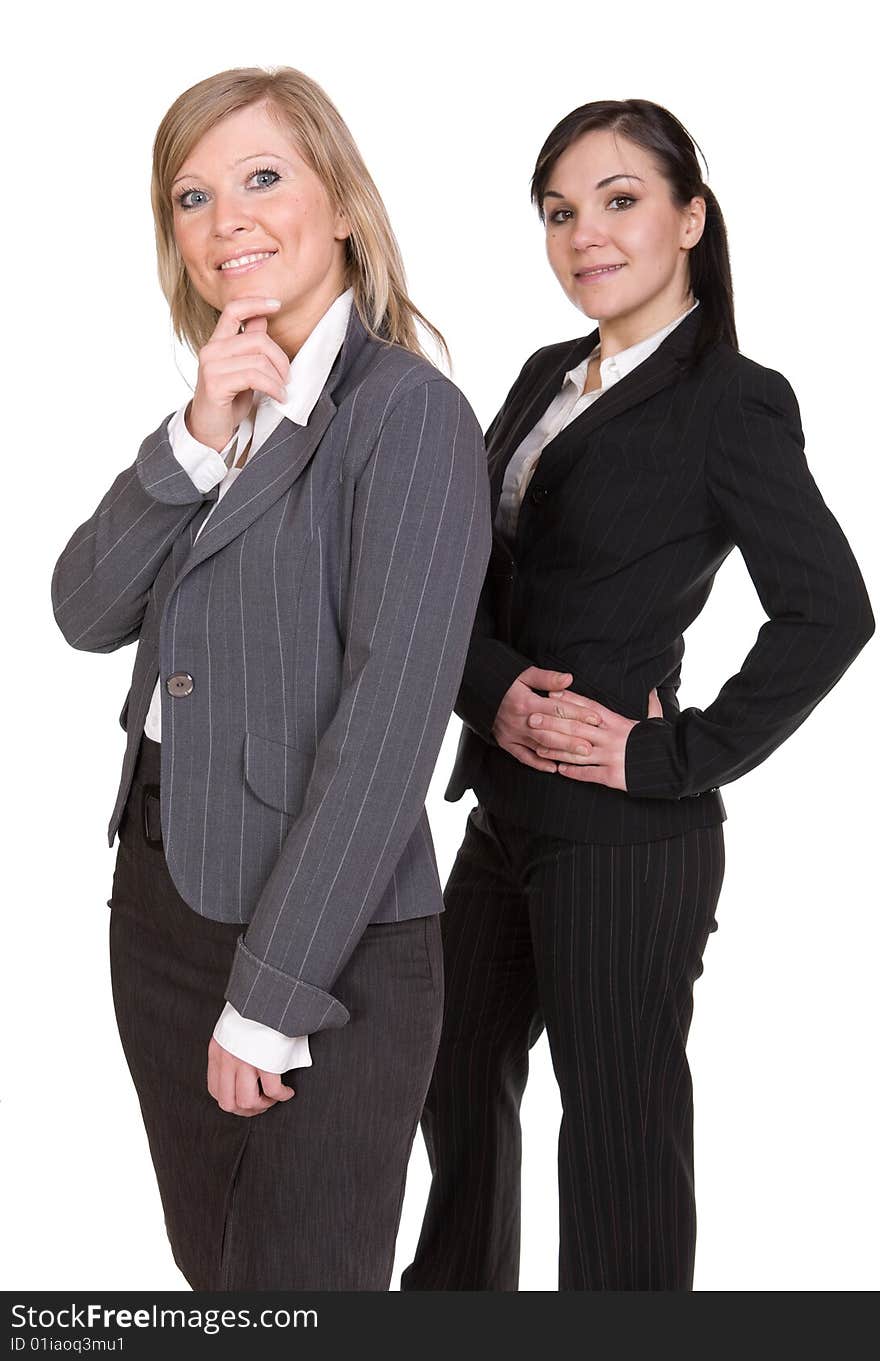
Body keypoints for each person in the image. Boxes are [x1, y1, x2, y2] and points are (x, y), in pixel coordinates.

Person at [401, 98, 874, 1292]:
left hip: (624, 838)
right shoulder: (544, 373)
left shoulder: (733, 399)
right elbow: (461, 577)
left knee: (616, 1141)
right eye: (559, 212)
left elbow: (829, 609)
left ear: (690, 218)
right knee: (451, 1086)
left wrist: (672, 756)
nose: (583, 236)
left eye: (618, 201)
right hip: (504, 812)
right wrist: (494, 691)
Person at [51, 65, 490, 1291]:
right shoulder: (223, 408)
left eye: (260, 178)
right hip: (163, 910)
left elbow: (391, 724)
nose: (224, 219)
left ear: (341, 205)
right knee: (223, 1283)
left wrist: (274, 991)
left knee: (299, 1294)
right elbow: (82, 609)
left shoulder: (405, 417)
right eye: (191, 196)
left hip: (320, 944)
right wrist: (189, 440)